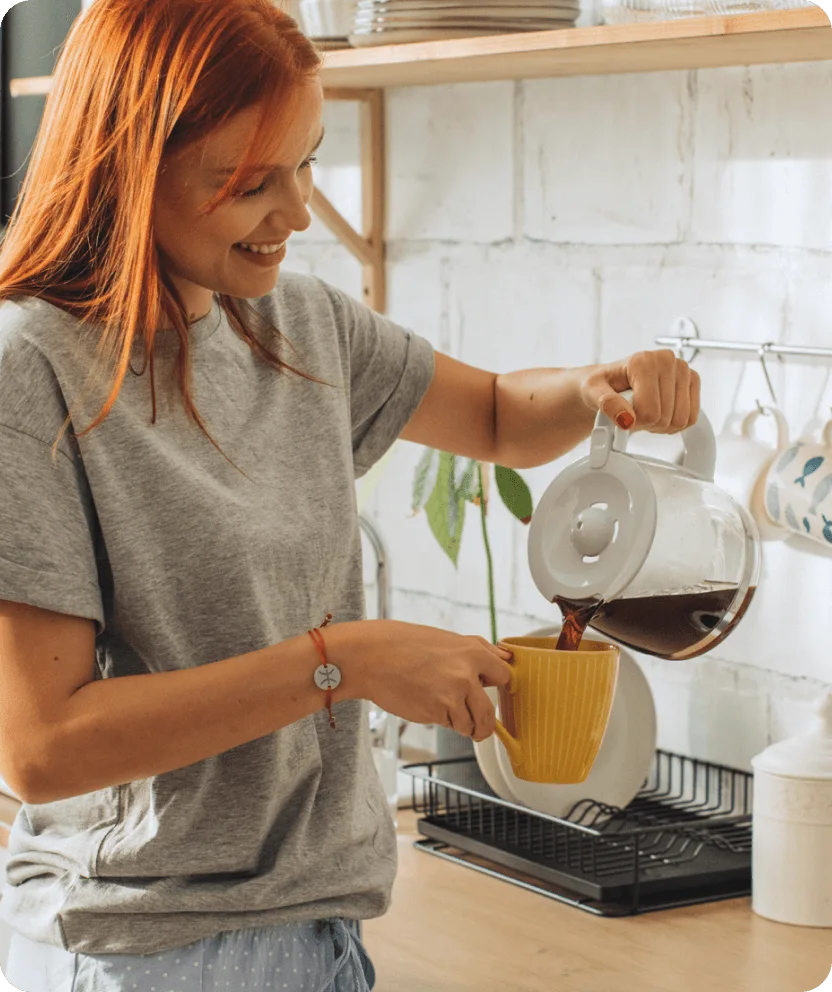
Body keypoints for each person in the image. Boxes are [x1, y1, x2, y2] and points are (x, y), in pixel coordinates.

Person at [0, 0, 701, 989]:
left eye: (307, 163)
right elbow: (42, 747)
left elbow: (498, 414)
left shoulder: (294, 322)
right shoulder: (33, 368)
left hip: (315, 933)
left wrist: (596, 388)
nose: (295, 214)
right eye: (250, 183)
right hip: (151, 950)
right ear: (131, 164)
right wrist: (343, 662)